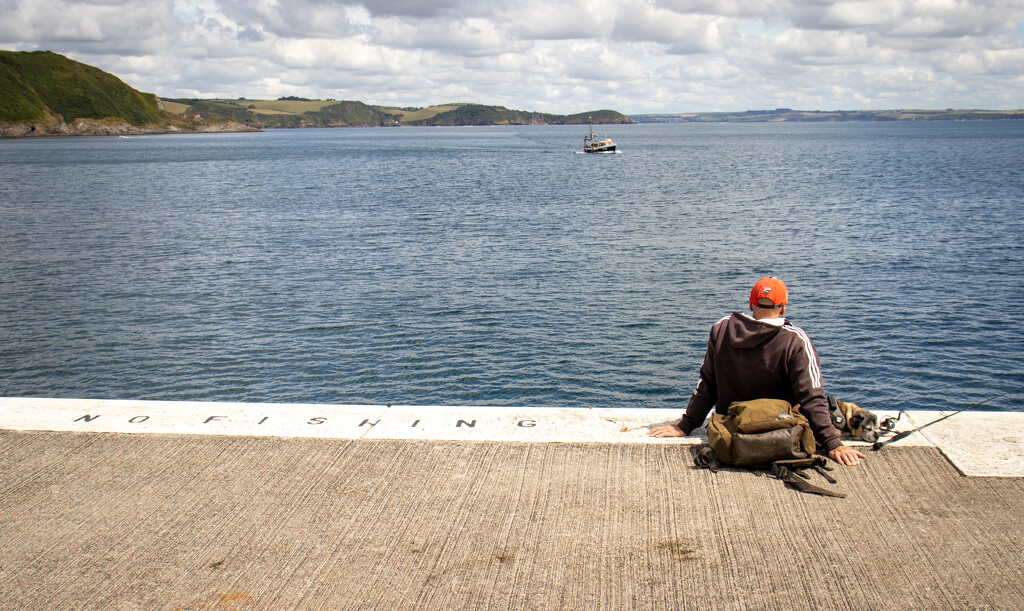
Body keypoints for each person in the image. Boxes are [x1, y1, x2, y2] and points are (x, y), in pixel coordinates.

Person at [648, 277, 865, 466]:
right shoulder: (796, 341)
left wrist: (685, 426)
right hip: (780, 433)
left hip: (733, 434)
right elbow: (811, 398)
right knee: (838, 409)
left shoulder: (722, 329)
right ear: (783, 308)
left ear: (751, 304)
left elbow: (707, 386)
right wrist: (832, 443)